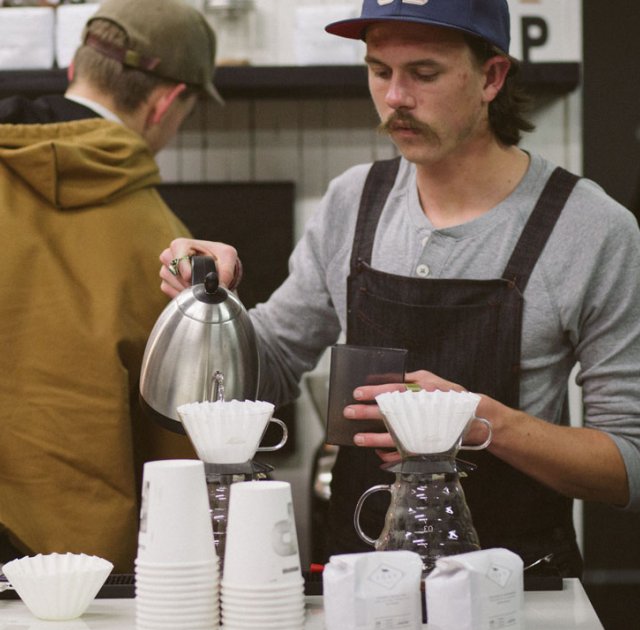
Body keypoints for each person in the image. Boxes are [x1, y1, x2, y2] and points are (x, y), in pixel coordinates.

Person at [159, 0, 640, 577]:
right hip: (362, 580)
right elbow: (272, 367)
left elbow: (627, 468)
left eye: (424, 73)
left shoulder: (591, 228)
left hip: (518, 589)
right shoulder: (352, 202)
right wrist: (214, 305)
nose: (395, 98)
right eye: (380, 70)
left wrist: (482, 423)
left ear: (492, 76)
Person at [0, 0, 238, 572]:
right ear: (167, 103)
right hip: (69, 574)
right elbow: (183, 434)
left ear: (73, 69)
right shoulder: (165, 245)